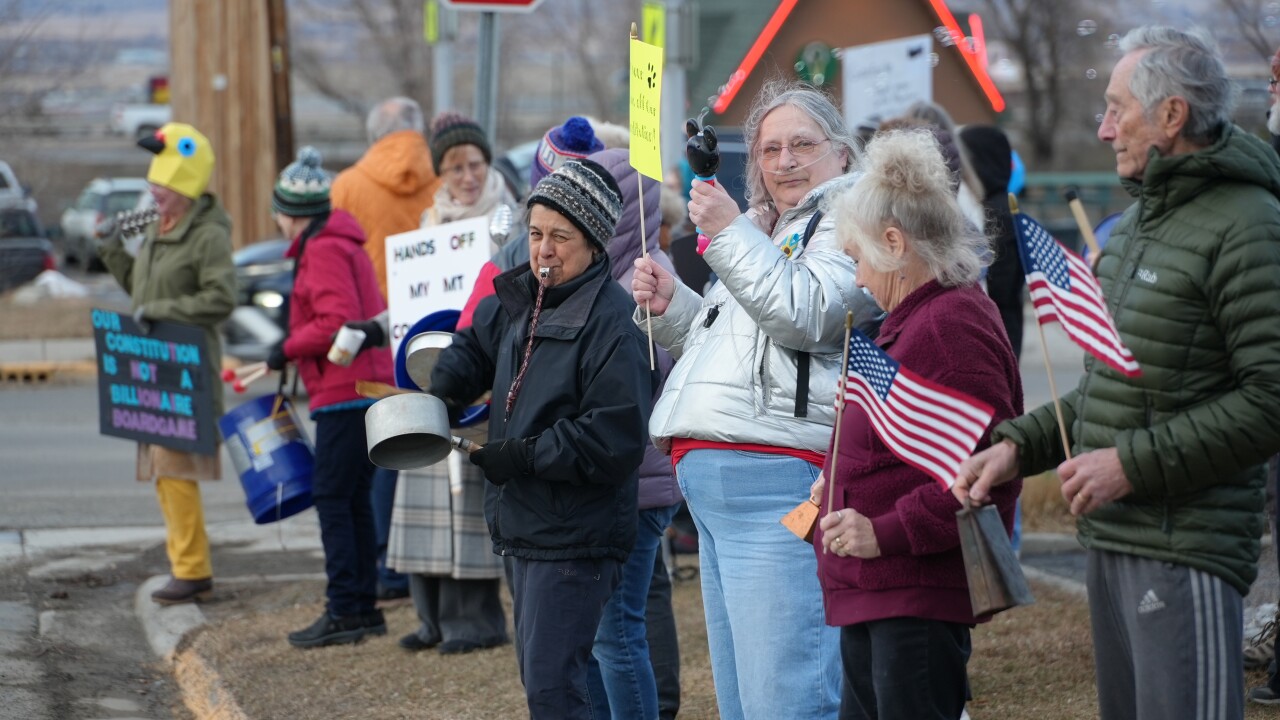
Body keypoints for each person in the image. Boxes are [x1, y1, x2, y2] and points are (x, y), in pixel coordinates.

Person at [954, 26, 1280, 720]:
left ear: (1171, 116)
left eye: (1115, 108)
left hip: (1184, 545)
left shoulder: (1251, 223)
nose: (1102, 130)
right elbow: (1110, 389)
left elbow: (1271, 400)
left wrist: (1129, 464)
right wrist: (1018, 447)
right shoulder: (1131, 230)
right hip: (1111, 536)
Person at [631, 80, 881, 720]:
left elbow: (808, 314)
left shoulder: (855, 222)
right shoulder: (775, 227)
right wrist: (673, 307)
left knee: (788, 698)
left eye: (802, 144)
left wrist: (729, 233)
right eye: (769, 149)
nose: (784, 161)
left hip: (780, 482)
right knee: (746, 700)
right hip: (725, 490)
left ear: (843, 155)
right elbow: (736, 346)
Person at [429, 159, 656, 719]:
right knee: (545, 681)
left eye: (561, 236)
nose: (544, 250)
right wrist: (446, 381)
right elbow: (475, 344)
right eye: (535, 234)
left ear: (595, 242)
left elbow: (613, 437)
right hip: (525, 525)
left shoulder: (614, 321)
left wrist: (523, 456)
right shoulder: (522, 297)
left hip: (575, 534)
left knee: (554, 688)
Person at [811, 129, 1022, 719]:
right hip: (880, 591)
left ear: (895, 243)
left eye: (857, 259)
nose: (856, 277)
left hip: (913, 593)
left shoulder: (949, 328)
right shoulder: (920, 318)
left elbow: (987, 475)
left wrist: (888, 532)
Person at [386, 110, 513, 656]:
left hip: (476, 381)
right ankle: (430, 615)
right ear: (440, 173)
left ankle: (474, 620)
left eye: (475, 164)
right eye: (456, 167)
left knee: (464, 499)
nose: (468, 176)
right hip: (426, 374)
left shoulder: (506, 224)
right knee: (423, 485)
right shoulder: (427, 227)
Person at [98, 122, 235, 606]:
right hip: (151, 365)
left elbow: (221, 298)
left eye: (161, 187)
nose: (152, 194)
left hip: (186, 371)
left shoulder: (207, 236)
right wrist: (111, 247)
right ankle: (186, 565)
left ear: (184, 188)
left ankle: (193, 570)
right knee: (162, 470)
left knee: (176, 473)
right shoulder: (158, 227)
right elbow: (142, 289)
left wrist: (163, 312)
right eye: (151, 185)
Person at [264, 147, 394, 649]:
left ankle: (344, 610)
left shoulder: (320, 250)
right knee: (353, 498)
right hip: (367, 388)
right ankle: (362, 607)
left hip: (344, 393)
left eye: (278, 211)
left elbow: (334, 322)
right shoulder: (345, 243)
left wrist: (285, 349)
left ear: (291, 215)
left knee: (333, 499)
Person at [583, 147, 684, 720]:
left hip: (636, 486)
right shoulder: (622, 276)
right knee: (607, 631)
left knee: (616, 633)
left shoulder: (641, 284)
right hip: (630, 482)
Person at [330, 95, 441, 602]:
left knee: (384, 445)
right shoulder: (443, 177)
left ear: (375, 134)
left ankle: (383, 562)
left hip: (375, 329)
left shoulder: (349, 185)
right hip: (433, 325)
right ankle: (411, 564)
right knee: (427, 442)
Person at [958, 125, 1024, 360]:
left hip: (998, 329)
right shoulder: (1001, 205)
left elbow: (999, 286)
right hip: (1006, 325)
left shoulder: (995, 214)